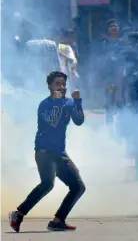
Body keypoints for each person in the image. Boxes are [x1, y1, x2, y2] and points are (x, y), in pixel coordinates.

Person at [9, 71, 86, 232]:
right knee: (47, 184)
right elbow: (52, 121)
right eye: (57, 84)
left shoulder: (69, 102)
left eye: (63, 84)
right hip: (44, 151)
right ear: (50, 86)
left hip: (60, 153)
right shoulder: (45, 104)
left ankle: (58, 221)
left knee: (78, 187)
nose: (62, 87)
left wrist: (78, 101)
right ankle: (18, 214)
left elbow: (79, 121)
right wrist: (58, 103)